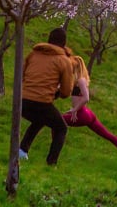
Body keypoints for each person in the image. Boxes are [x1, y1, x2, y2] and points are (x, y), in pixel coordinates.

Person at [19, 27, 75, 165]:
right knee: (61, 128)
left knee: (40, 120)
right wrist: (57, 92)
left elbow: (21, 75)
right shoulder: (64, 60)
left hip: (22, 101)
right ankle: (51, 162)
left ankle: (22, 151)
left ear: (48, 40)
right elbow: (66, 92)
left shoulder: (33, 54)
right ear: (64, 43)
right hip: (41, 102)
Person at [63, 49, 117, 158]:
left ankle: (56, 148)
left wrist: (74, 109)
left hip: (82, 115)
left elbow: (86, 98)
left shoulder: (80, 80)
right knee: (106, 134)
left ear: (76, 66)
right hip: (87, 114)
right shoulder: (78, 80)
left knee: (57, 121)